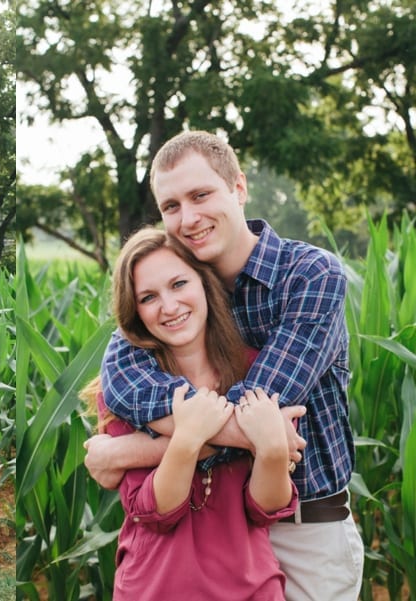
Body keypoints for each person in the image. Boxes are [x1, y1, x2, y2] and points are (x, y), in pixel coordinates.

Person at [86, 130, 364, 600]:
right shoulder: (179, 284)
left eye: (200, 195)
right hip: (216, 539)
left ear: (238, 187)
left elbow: (261, 407)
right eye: (171, 206)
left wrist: (126, 452)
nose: (188, 218)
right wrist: (257, 430)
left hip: (305, 531)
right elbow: (124, 382)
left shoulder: (309, 275)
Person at [86, 227, 298, 599]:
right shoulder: (125, 391)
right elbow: (155, 511)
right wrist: (186, 437)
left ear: (204, 283)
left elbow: (265, 509)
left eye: (179, 284)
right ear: (134, 311)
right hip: (154, 590)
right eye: (148, 297)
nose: (169, 307)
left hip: (252, 589)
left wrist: (273, 451)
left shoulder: (258, 372)